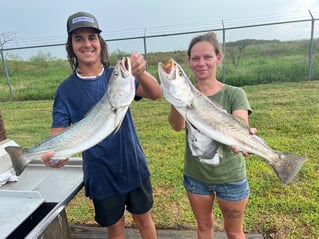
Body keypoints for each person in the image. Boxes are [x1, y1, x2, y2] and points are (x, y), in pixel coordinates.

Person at [41, 12, 161, 239]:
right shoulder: (65, 90)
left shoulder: (118, 77)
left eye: (92, 38)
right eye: (79, 39)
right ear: (71, 46)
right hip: (101, 175)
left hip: (134, 166)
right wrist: (56, 154)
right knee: (115, 228)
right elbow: (58, 133)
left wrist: (141, 72)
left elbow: (155, 93)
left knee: (144, 220)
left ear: (100, 43)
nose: (87, 44)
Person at [167, 32, 254, 239]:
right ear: (189, 62)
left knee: (234, 232)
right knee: (204, 228)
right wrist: (177, 100)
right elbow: (177, 126)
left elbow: (241, 124)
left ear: (218, 58)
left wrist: (244, 137)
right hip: (196, 177)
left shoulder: (235, 93)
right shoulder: (185, 95)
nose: (201, 63)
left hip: (230, 177)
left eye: (207, 57)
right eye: (195, 58)